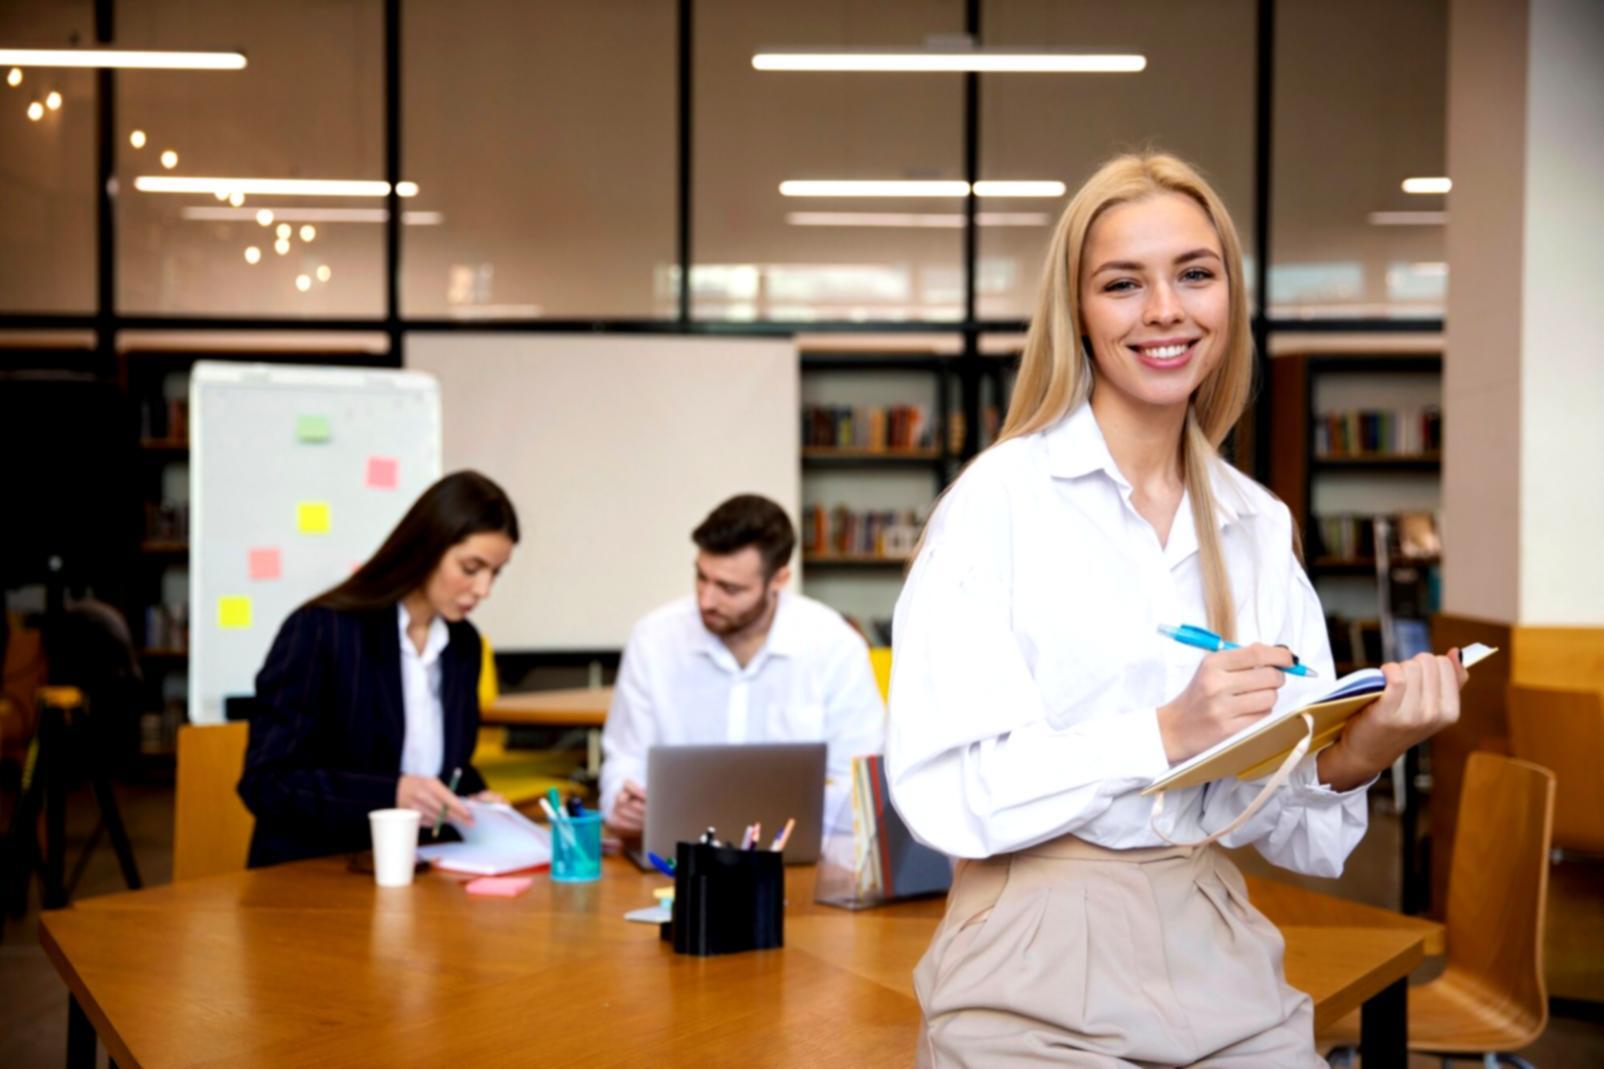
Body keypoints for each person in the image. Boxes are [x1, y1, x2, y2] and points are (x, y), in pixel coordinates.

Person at [887, 153, 1468, 1067]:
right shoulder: (1001, 501)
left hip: (1215, 934)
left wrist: (1371, 743)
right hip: (1029, 957)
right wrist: (1162, 731)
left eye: (1196, 273)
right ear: (1077, 311)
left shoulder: (1255, 524)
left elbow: (1293, 826)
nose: (1166, 309)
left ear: (1228, 297)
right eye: (1124, 283)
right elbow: (949, 790)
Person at [238, 470, 519, 868]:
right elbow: (267, 783)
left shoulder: (462, 644)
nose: (483, 590)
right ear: (427, 547)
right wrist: (391, 796)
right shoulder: (321, 630)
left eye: (496, 573)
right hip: (318, 876)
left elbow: (445, 769)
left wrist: (475, 803)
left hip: (418, 874)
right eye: (471, 568)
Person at [600, 493, 884, 841]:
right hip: (674, 857)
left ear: (778, 579)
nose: (706, 600)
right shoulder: (654, 639)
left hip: (798, 860)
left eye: (729, 589)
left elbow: (859, 786)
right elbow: (623, 759)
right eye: (701, 578)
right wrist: (622, 802)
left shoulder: (834, 646)